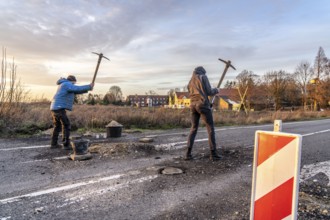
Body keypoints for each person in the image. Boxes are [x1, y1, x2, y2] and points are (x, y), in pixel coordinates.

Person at [185, 66, 221, 161]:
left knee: (193, 128)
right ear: (203, 72)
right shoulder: (203, 77)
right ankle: (213, 154)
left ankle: (188, 154)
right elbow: (209, 91)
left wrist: (207, 103)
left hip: (193, 105)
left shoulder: (190, 81)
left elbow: (194, 94)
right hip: (202, 104)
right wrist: (216, 90)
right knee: (210, 128)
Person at [50, 75, 94, 149]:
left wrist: (88, 89)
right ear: (72, 81)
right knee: (66, 125)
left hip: (54, 107)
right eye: (73, 83)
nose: (73, 85)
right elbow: (76, 88)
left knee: (57, 126)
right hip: (59, 108)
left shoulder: (63, 84)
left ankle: (53, 144)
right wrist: (89, 86)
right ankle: (66, 144)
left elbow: (76, 91)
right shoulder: (67, 84)